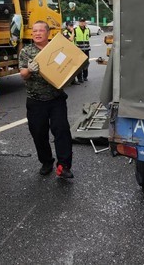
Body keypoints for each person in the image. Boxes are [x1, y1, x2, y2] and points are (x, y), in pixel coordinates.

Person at [19, 20, 74, 178]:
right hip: (35, 100)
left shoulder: (56, 48)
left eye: (40, 31)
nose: (36, 33)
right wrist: (29, 69)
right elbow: (22, 73)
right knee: (38, 133)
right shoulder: (26, 51)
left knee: (62, 130)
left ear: (48, 33)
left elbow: (69, 65)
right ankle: (46, 161)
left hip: (56, 98)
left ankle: (64, 166)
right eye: (34, 31)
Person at [74, 18, 91, 83]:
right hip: (79, 50)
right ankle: (80, 78)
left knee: (86, 64)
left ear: (85, 23)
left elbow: (88, 37)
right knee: (79, 65)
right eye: (81, 22)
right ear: (79, 22)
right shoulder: (75, 30)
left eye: (83, 22)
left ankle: (85, 77)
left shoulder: (87, 29)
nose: (82, 23)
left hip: (86, 49)